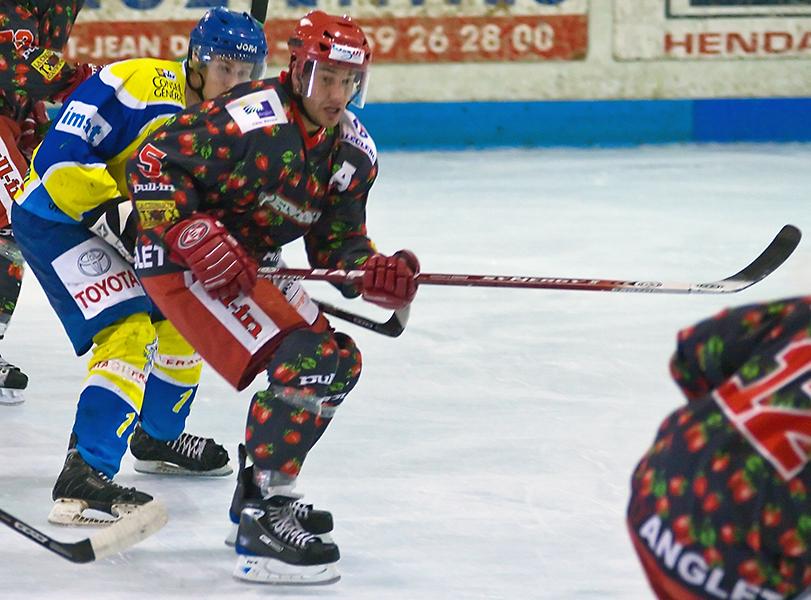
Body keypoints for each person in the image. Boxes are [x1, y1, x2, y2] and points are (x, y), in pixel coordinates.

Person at [126, 10, 419, 584]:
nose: (337, 95)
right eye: (325, 78)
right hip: (184, 261)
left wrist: (374, 273)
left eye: (348, 81)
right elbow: (153, 162)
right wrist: (188, 231)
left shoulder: (351, 151)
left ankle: (262, 493)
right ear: (298, 70)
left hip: (251, 262)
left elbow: (338, 245)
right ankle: (263, 517)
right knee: (307, 359)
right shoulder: (250, 116)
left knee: (338, 363)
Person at [11, 8, 268, 526]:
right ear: (195, 62)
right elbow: (59, 159)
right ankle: (85, 474)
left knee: (186, 312)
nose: (235, 85)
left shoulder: (241, 126)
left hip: (135, 228)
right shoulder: (138, 84)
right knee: (128, 331)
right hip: (58, 217)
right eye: (225, 69)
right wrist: (126, 219)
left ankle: (159, 436)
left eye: (247, 74)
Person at [627, 297, 811, 599]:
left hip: (655, 495)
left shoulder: (803, 312)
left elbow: (694, 351)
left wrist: (725, 439)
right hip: (741, 566)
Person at [0, 0, 98, 404]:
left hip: (15, 111)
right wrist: (78, 80)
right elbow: (13, 57)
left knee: (12, 231)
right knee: (17, 220)